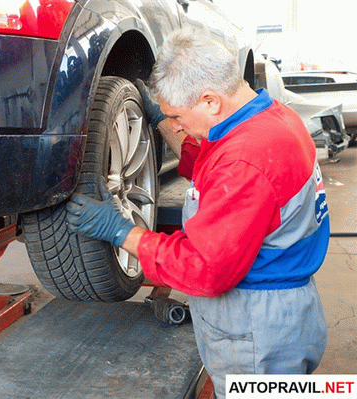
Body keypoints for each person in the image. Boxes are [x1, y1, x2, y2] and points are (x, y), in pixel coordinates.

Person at [66, 29, 328, 398]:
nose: (174, 126)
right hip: (284, 311)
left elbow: (205, 268)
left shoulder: (246, 160)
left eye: (176, 115)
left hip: (258, 330)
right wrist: (159, 118)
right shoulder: (272, 119)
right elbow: (211, 165)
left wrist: (121, 232)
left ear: (210, 101)